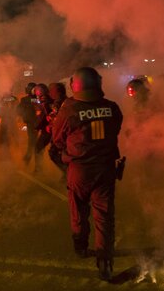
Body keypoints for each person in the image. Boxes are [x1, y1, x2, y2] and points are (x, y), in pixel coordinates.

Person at [52, 67, 123, 281]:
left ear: (75, 85)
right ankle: (104, 262)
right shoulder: (112, 107)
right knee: (104, 217)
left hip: (80, 169)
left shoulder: (69, 109)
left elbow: (57, 139)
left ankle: (81, 247)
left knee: (79, 211)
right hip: (105, 168)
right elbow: (116, 129)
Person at [47, 82, 68, 176]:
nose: (49, 93)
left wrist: (50, 123)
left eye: (51, 90)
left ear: (57, 91)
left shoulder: (59, 102)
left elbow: (55, 117)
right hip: (65, 132)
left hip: (61, 132)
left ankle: (67, 172)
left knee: (53, 153)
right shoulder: (67, 100)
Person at [33, 83, 53, 173]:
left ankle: (38, 169)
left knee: (38, 148)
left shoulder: (44, 102)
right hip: (54, 129)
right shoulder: (50, 100)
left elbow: (41, 117)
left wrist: (36, 127)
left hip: (48, 130)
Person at [17, 82, 38, 164]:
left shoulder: (25, 100)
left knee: (33, 142)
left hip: (31, 125)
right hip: (40, 125)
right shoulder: (40, 98)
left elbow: (18, 111)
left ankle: (28, 158)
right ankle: (29, 158)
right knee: (34, 142)